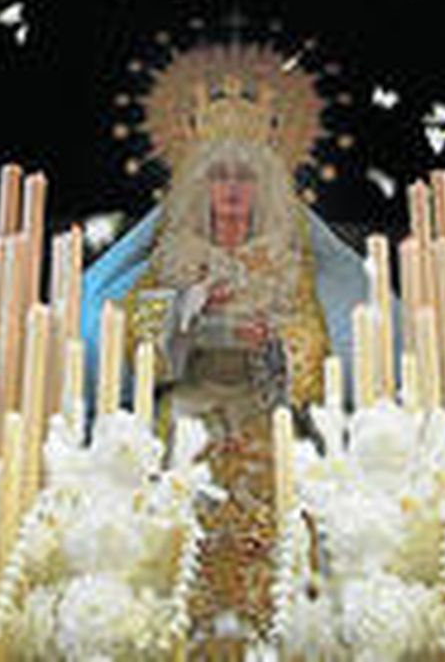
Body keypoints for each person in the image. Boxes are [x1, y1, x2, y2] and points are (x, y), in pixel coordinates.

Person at [80, 43, 371, 649]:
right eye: (220, 175)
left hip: (266, 429)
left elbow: (312, 352)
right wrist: (189, 308)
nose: (232, 189)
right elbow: (134, 342)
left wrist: (274, 343)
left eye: (244, 176)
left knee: (271, 570)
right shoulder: (174, 258)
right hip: (186, 422)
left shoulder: (286, 263)